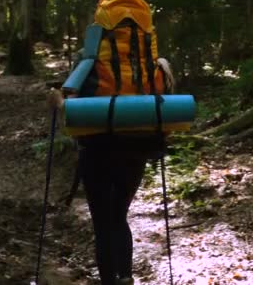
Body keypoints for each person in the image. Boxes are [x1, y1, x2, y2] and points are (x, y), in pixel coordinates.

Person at [47, 57, 174, 285]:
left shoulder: (88, 62)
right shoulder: (150, 63)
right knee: (118, 217)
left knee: (103, 223)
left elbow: (73, 116)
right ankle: (125, 277)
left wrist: (58, 103)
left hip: (96, 154)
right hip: (135, 154)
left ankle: (109, 280)